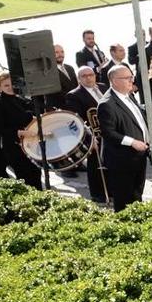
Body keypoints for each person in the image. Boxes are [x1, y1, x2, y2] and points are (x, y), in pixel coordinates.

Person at [97, 64, 151, 211]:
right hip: (122, 159)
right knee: (124, 199)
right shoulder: (106, 104)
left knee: (137, 195)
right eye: (127, 78)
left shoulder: (129, 95)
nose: (131, 81)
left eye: (131, 77)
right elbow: (109, 133)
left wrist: (150, 131)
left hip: (138, 155)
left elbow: (138, 117)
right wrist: (132, 142)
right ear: (114, 81)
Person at [65, 65, 109, 204]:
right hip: (93, 135)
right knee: (96, 166)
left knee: (111, 163)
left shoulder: (103, 87)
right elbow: (77, 120)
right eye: (84, 76)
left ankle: (112, 190)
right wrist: (89, 139)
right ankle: (98, 194)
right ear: (78, 79)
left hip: (110, 132)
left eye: (90, 75)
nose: (88, 78)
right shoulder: (74, 95)